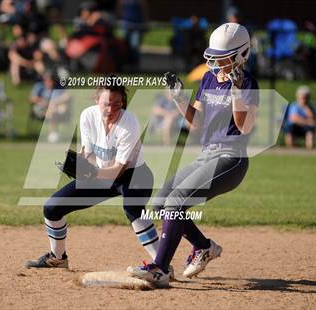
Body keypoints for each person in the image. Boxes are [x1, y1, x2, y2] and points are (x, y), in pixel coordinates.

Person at [128, 23, 259, 287]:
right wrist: (178, 99)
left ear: (240, 55)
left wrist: (236, 92)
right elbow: (196, 122)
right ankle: (203, 246)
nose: (217, 61)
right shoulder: (209, 78)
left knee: (176, 202)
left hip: (231, 159)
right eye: (216, 56)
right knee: (161, 202)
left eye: (223, 57)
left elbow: (244, 126)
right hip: (206, 155)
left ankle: (160, 269)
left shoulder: (248, 83)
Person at [25, 82, 163, 270]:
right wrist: (81, 164)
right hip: (99, 174)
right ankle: (58, 258)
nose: (111, 108)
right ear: (97, 100)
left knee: (133, 209)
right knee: (52, 208)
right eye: (106, 103)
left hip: (134, 175)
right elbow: (88, 152)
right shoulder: (88, 116)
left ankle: (162, 264)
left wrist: (91, 172)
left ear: (123, 103)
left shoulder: (129, 123)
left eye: (116, 104)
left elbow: (117, 171)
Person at [29, 71, 71, 143]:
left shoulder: (59, 87)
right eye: (46, 80)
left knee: (59, 108)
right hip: (41, 108)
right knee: (53, 109)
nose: (48, 82)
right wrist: (45, 102)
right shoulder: (39, 86)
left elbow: (68, 96)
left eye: (50, 80)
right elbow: (32, 99)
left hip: (54, 109)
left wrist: (54, 103)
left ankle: (53, 134)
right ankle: (53, 134)